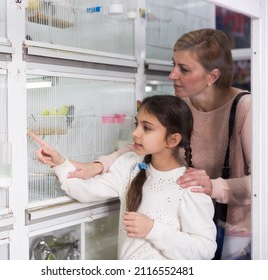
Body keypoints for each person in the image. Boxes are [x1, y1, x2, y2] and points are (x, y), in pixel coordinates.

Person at [67, 28, 252, 260]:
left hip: (237, 235)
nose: (172, 75)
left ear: (212, 76)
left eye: (183, 69)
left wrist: (213, 187)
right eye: (173, 64)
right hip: (187, 225)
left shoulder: (247, 108)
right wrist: (98, 166)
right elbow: (141, 146)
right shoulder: (182, 104)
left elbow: (262, 183)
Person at [31, 95, 217, 260]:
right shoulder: (130, 165)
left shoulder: (190, 185)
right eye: (137, 125)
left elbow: (205, 250)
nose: (135, 133)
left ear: (173, 140)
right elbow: (87, 191)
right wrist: (58, 163)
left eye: (147, 128)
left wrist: (153, 229)